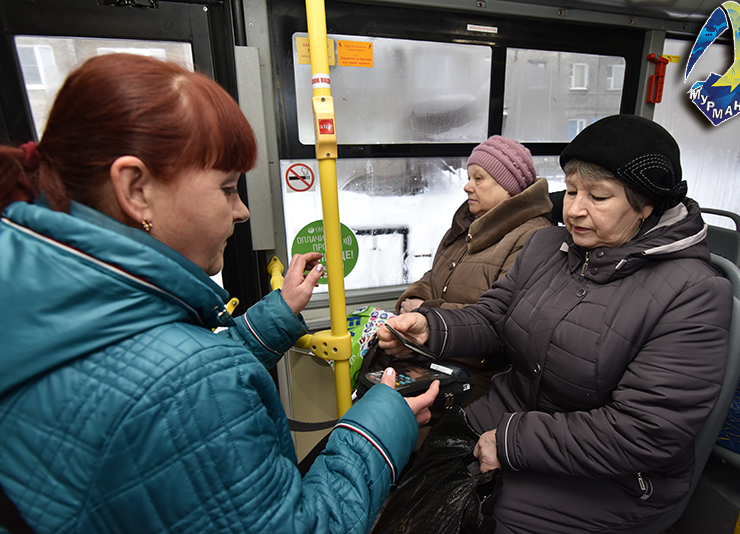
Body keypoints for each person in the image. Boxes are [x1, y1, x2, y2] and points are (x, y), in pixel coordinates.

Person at [0, 53, 437, 534]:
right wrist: (377, 429)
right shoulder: (193, 385)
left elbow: (136, 372)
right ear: (136, 188)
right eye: (227, 188)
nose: (243, 210)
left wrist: (275, 315)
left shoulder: (38, 287)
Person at [379, 115, 733, 533]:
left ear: (646, 207)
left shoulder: (694, 294)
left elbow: (644, 431)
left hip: (610, 475)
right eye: (571, 189)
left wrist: (512, 442)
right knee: (406, 490)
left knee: (479, 520)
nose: (574, 208)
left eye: (598, 197)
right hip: (508, 416)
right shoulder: (548, 246)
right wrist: (432, 328)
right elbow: (494, 316)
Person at [395, 135, 552, 402]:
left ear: (507, 186)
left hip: (478, 378)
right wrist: (414, 297)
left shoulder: (531, 239)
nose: (467, 187)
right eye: (469, 177)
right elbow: (435, 274)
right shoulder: (466, 226)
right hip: (435, 358)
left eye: (479, 178)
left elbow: (500, 317)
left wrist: (426, 313)